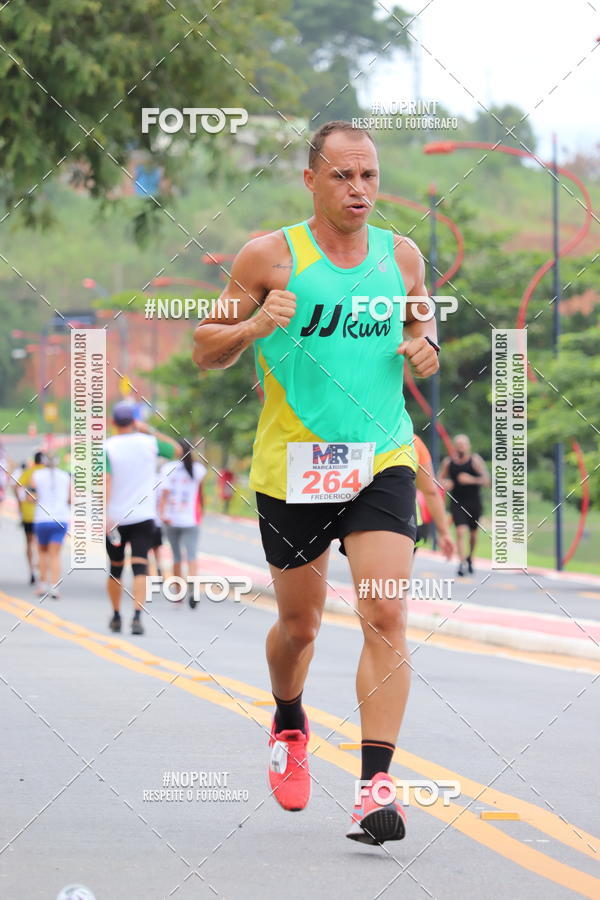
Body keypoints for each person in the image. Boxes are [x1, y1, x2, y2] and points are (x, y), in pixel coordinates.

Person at [193, 120, 440, 844]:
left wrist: (424, 342)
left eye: (368, 176)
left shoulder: (401, 254)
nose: (358, 189)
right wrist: (253, 328)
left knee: (387, 614)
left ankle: (374, 788)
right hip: (295, 465)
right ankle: (290, 718)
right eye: (342, 176)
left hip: (383, 457)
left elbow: (419, 311)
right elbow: (207, 346)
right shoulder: (270, 255)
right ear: (311, 180)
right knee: (299, 627)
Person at [104, 401, 182, 635]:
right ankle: (137, 615)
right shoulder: (149, 443)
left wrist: (104, 514)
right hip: (143, 516)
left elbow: (105, 480)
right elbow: (177, 450)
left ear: (113, 423)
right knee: (141, 567)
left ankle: (117, 615)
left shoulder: (106, 447)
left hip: (116, 517)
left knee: (115, 569)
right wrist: (149, 430)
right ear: (134, 422)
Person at [159, 438, 207, 608]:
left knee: (177, 556)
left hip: (171, 519)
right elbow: (200, 494)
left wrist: (162, 514)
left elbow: (164, 495)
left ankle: (179, 594)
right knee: (192, 555)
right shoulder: (198, 469)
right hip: (191, 519)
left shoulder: (167, 468)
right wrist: (202, 512)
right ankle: (193, 590)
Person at [439, 434, 489, 576]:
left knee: (473, 534)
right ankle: (461, 563)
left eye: (463, 444)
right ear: (454, 446)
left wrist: (471, 479)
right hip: (457, 503)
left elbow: (486, 480)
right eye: (458, 444)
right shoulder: (448, 463)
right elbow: (439, 478)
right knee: (461, 532)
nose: (460, 446)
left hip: (474, 502)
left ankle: (470, 558)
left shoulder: (475, 461)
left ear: (468, 446)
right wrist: (445, 483)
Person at [30, 455, 71, 599]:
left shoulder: (36, 475)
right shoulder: (65, 476)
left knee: (42, 553)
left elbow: (31, 497)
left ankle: (42, 585)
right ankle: (54, 587)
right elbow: (71, 498)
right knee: (55, 555)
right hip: (60, 518)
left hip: (42, 518)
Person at [413, 435, 454, 559]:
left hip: (364, 518)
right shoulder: (412, 441)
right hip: (407, 520)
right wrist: (444, 533)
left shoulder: (357, 433)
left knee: (367, 576)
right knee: (396, 576)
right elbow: (430, 491)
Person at [14, 452, 46, 583]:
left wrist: (20, 502)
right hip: (44, 514)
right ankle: (40, 570)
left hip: (28, 512)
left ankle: (32, 570)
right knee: (42, 544)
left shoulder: (29, 472)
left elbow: (16, 486)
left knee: (29, 542)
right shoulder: (48, 472)